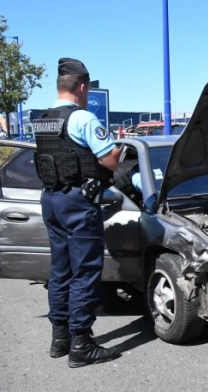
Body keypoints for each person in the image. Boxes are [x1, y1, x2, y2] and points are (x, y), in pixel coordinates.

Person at [32, 58, 122, 368]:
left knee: (60, 270)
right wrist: (117, 154)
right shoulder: (82, 118)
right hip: (77, 202)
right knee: (85, 272)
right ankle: (82, 343)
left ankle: (60, 339)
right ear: (82, 87)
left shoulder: (43, 118)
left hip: (52, 199)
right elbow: (110, 159)